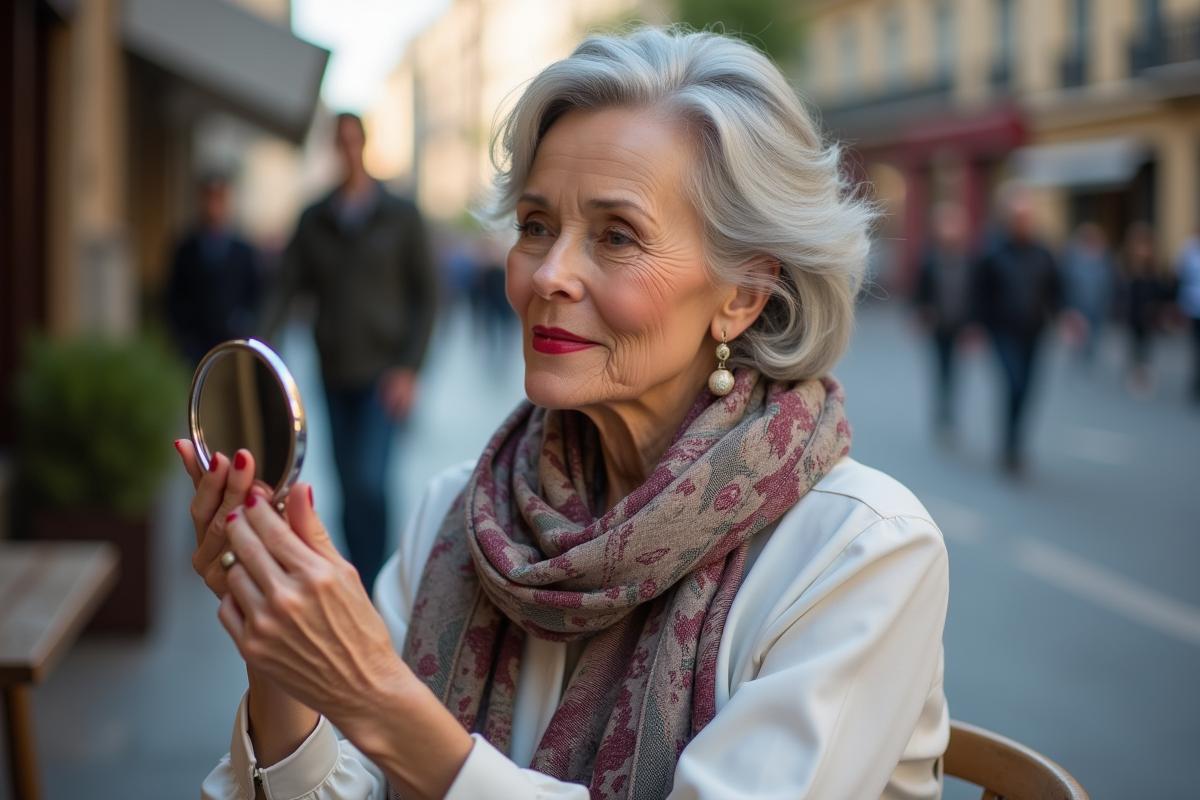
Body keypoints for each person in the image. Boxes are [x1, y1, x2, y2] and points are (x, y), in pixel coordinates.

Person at [179, 28, 949, 800]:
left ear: (742, 296)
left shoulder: (860, 554)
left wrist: (379, 699)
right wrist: (284, 659)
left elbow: (386, 732)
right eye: (536, 226)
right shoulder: (458, 512)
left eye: (617, 236)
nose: (548, 273)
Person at [259, 113, 438, 592]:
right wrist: (256, 345)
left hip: (384, 374)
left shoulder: (400, 215)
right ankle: (357, 579)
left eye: (354, 141)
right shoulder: (315, 218)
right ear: (333, 148)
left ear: (364, 144)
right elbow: (286, 287)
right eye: (339, 142)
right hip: (335, 371)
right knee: (344, 483)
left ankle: (380, 577)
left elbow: (427, 296)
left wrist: (409, 368)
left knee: (369, 480)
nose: (347, 150)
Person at [974, 184, 1062, 475]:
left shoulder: (1043, 252)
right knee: (1014, 383)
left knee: (1027, 389)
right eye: (1017, 216)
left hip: (1035, 332)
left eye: (1026, 216)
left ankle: (1016, 443)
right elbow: (980, 294)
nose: (1022, 222)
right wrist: (976, 328)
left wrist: (1065, 316)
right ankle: (1009, 445)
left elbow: (1056, 289)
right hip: (1002, 331)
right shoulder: (993, 253)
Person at [165, 176, 262, 366]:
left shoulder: (243, 251)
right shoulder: (185, 249)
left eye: (219, 198)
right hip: (195, 347)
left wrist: (245, 322)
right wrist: (183, 336)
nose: (213, 205)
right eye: (209, 198)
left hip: (233, 345)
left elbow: (257, 293)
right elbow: (172, 297)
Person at [913, 202, 973, 439]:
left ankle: (950, 413)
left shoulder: (968, 259)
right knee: (940, 369)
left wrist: (973, 325)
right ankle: (941, 414)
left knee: (956, 371)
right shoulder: (930, 259)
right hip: (938, 325)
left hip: (960, 324)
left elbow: (975, 294)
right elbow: (921, 292)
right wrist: (920, 314)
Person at [1119, 222, 1169, 397]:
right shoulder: (1128, 266)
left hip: (1150, 314)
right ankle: (1134, 372)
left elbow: (1162, 290)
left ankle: (1144, 373)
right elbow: (1122, 291)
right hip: (1133, 313)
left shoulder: (1154, 268)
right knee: (1134, 343)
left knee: (1147, 344)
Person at [1061, 221, 1114, 366]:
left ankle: (1088, 359)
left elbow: (1109, 284)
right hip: (1078, 306)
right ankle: (1078, 360)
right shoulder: (1073, 257)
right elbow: (1066, 282)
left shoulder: (1103, 258)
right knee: (1078, 338)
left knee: (1094, 337)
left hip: (1097, 306)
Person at [1176, 222, 1200, 403]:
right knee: (1195, 347)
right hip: (1193, 306)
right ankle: (1195, 383)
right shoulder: (1188, 248)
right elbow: (1178, 276)